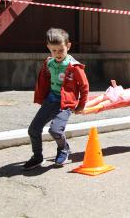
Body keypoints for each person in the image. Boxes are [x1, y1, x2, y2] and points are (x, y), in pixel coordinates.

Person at [23, 28, 89, 170]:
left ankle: (63, 148)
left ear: (68, 46)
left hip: (66, 103)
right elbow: (45, 78)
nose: (57, 54)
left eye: (61, 50)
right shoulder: (49, 63)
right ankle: (37, 157)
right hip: (50, 100)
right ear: (48, 48)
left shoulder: (74, 66)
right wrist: (42, 96)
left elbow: (84, 86)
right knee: (33, 129)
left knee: (55, 130)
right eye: (54, 50)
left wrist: (81, 105)